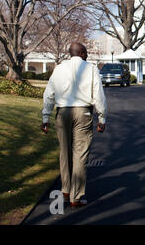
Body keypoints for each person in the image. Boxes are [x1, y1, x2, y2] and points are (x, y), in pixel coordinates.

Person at [41, 43, 107, 208]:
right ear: (83, 53)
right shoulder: (91, 68)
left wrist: (45, 117)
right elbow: (98, 94)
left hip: (63, 112)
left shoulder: (59, 68)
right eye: (87, 53)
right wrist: (102, 118)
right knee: (80, 154)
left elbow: (49, 93)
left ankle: (65, 189)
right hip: (83, 112)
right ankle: (75, 197)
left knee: (64, 152)